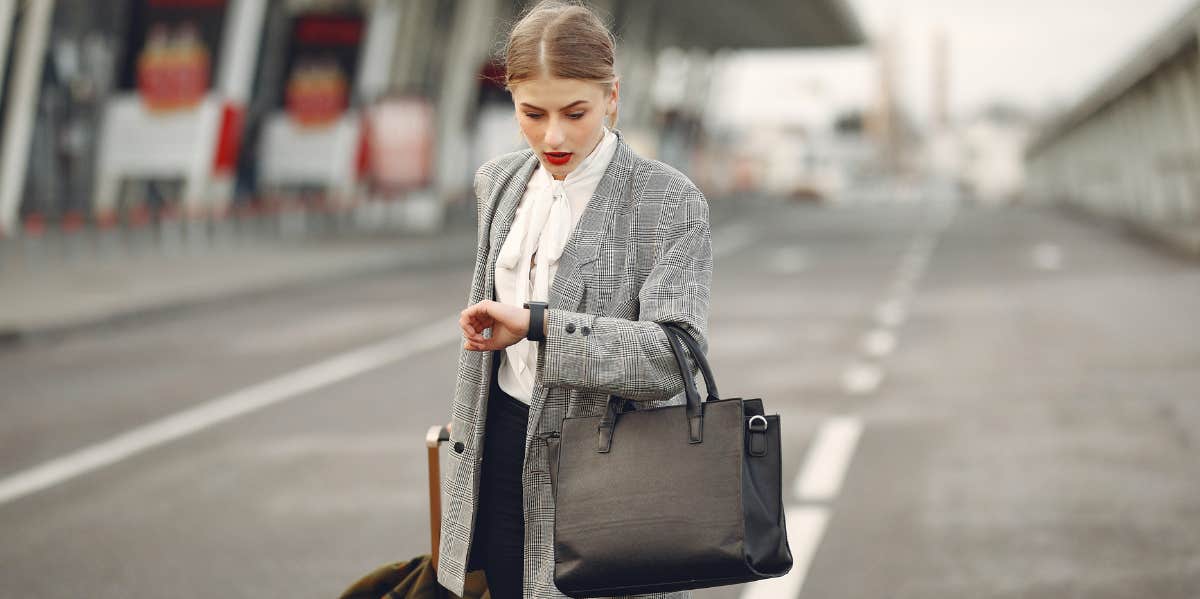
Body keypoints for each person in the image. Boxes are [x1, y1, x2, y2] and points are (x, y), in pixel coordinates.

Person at [438, 2, 712, 598]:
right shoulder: (500, 184)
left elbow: (674, 359)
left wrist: (539, 324)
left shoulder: (666, 200)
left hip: (608, 468)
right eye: (532, 113)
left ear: (612, 97)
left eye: (575, 112)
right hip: (499, 457)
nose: (553, 135)